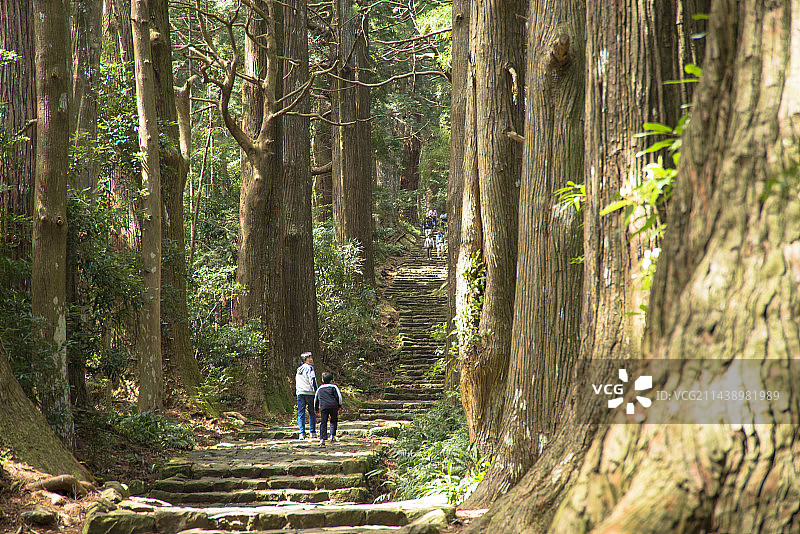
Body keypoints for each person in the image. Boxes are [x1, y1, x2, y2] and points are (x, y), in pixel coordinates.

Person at [314, 371, 343, 446]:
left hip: (324, 406)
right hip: (333, 405)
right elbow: (338, 397)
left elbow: (316, 399)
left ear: (322, 380)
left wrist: (316, 408)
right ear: (331, 380)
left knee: (323, 422)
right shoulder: (334, 387)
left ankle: (322, 439)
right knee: (333, 420)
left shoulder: (319, 388)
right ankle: (332, 435)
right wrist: (339, 405)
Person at [295, 352, 317, 440]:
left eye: (311, 357)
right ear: (305, 360)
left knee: (301, 413)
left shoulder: (299, 369)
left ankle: (302, 433)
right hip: (309, 392)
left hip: (300, 392)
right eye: (309, 358)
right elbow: (312, 379)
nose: (311, 359)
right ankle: (312, 432)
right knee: (312, 411)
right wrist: (316, 390)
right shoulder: (310, 368)